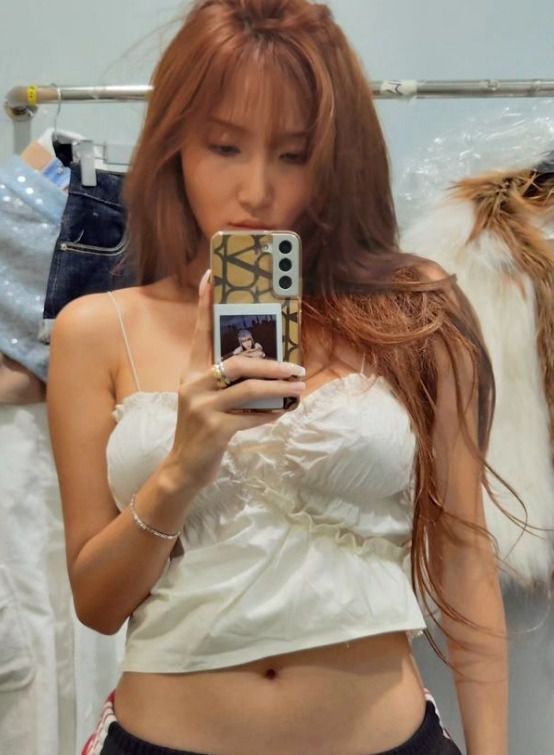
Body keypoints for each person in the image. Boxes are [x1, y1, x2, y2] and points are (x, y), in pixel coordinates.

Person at [47, 1, 508, 753]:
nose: (257, 190)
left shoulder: (414, 309)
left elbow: (465, 557)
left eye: (292, 155)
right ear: (175, 146)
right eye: (225, 146)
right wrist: (182, 466)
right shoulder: (98, 330)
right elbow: (97, 606)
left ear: (335, 161)